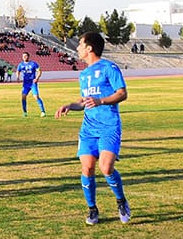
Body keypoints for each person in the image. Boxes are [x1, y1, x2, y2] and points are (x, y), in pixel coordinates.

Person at [55, 32, 131, 225]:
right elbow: (85, 102)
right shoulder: (83, 75)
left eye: (80, 44)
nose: (77, 48)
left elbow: (122, 93)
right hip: (89, 129)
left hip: (109, 126)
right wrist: (71, 106)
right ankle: (92, 209)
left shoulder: (109, 68)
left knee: (106, 168)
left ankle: (121, 201)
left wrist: (101, 101)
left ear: (89, 48)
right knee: (87, 168)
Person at [17, 52, 47, 117]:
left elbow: (39, 71)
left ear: (28, 56)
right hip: (25, 84)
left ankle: (43, 111)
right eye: (23, 56)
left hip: (33, 83)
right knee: (23, 97)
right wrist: (18, 77)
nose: (24, 57)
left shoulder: (33, 64)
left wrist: (37, 78)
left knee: (36, 97)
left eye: (25, 56)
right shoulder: (21, 65)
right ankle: (25, 112)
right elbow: (18, 71)